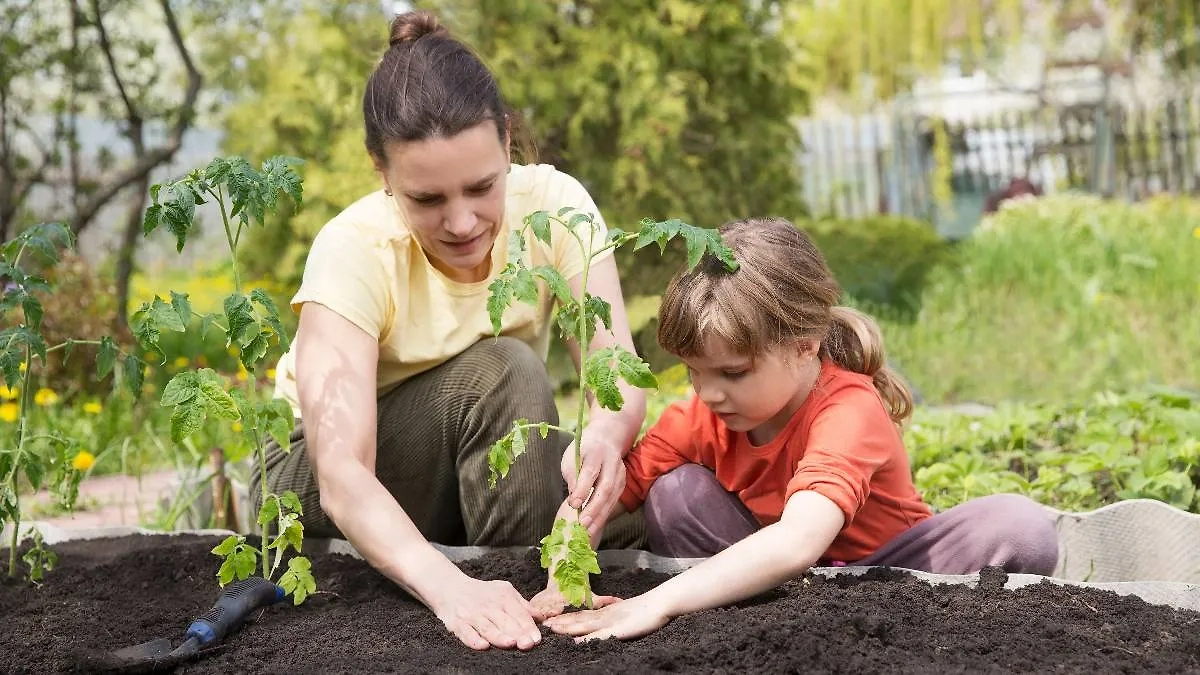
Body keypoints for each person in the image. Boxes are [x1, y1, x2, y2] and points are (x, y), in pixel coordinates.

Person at [256, 10, 646, 653]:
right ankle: (505, 601)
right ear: (381, 172)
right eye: (428, 200)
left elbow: (617, 374)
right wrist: (451, 589)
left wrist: (605, 435)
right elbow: (342, 474)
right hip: (320, 482)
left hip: (472, 459)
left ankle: (524, 600)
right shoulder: (353, 250)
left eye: (481, 186)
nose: (462, 222)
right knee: (507, 372)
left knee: (639, 496)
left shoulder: (556, 207)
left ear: (507, 140)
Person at [543, 217, 1060, 641]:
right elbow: (600, 496)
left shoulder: (848, 408)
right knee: (674, 494)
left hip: (891, 574)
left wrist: (654, 604)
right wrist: (562, 568)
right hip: (773, 586)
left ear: (805, 345)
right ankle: (745, 616)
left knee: (1020, 526)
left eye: (733, 372)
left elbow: (798, 541)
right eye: (695, 372)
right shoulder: (705, 417)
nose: (709, 393)